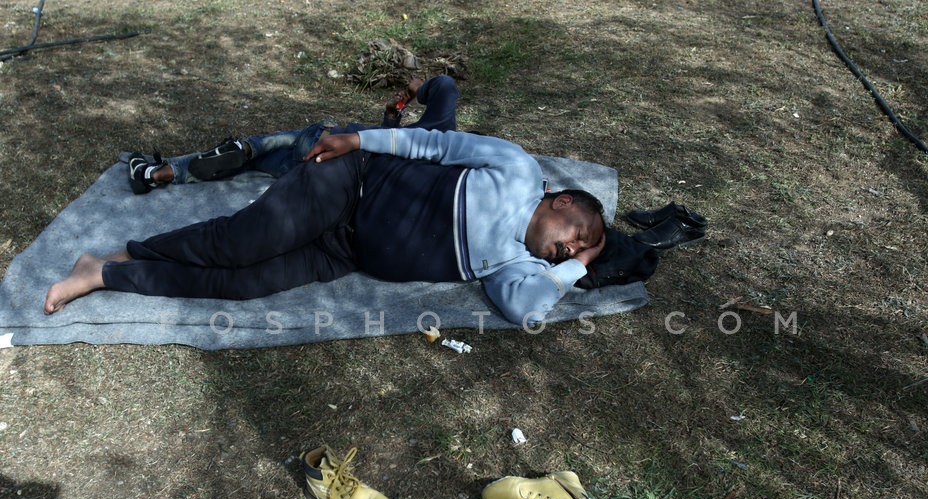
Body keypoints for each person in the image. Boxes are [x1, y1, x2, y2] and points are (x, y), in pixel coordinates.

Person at [45, 127, 607, 326]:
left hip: (343, 253)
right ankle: (126, 252)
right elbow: (435, 143)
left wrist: (575, 270)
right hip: (350, 183)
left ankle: (102, 275)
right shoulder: (517, 170)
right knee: (242, 244)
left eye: (576, 251)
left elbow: (524, 309)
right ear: (559, 202)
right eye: (577, 235)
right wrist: (359, 140)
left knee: (240, 284)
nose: (569, 250)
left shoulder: (523, 266)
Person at [128, 75, 461, 193]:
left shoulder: (439, 135)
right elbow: (392, 143)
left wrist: (420, 88)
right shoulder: (422, 170)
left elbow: (444, 86)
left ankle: (238, 148)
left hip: (328, 138)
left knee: (261, 146)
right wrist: (392, 115)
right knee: (255, 164)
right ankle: (158, 173)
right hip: (321, 173)